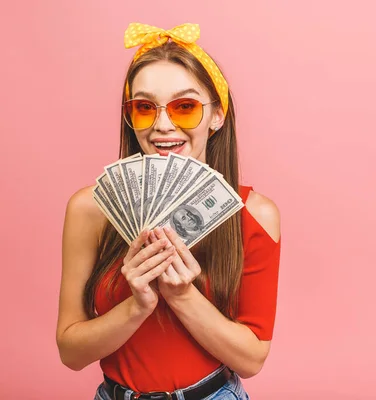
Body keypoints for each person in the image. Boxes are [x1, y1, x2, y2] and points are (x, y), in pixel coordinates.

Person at [56, 22, 282, 400]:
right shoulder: (89, 208)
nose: (162, 125)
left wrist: (180, 296)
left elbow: (251, 359)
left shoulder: (255, 214)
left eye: (185, 107)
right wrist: (137, 305)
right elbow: (70, 351)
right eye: (145, 108)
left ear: (217, 115)